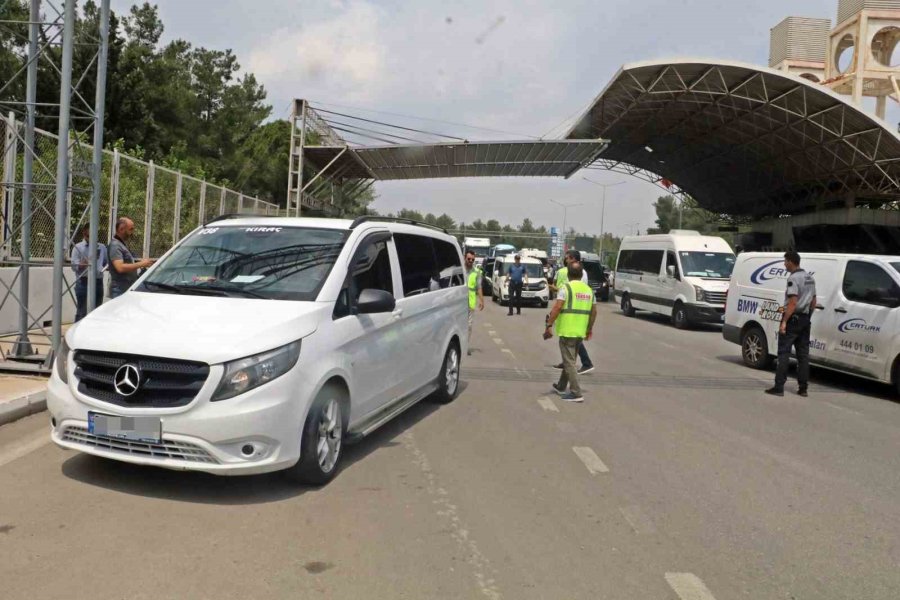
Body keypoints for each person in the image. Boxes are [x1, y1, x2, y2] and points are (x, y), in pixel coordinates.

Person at [544, 261, 597, 403]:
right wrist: (589, 328)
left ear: (568, 274)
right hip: (580, 331)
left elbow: (557, 308)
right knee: (570, 360)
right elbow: (594, 312)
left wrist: (549, 324)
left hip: (567, 330)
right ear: (581, 274)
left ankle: (576, 392)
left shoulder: (565, 288)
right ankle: (561, 386)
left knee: (569, 363)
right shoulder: (588, 290)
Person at [766, 251, 817, 397]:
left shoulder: (793, 279)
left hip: (793, 320)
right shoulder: (810, 278)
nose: (784, 264)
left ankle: (779, 387)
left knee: (783, 353)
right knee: (803, 355)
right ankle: (803, 388)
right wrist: (808, 317)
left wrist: (784, 322)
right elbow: (814, 301)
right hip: (805, 319)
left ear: (791, 261)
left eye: (785, 261)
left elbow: (793, 302)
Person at [549, 250, 594, 374]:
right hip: (575, 307)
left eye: (567, 258)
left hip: (576, 309)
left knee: (573, 338)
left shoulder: (579, 272)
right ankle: (567, 363)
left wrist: (557, 289)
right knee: (572, 339)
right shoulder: (578, 271)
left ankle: (586, 363)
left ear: (573, 259)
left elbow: (574, 290)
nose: (566, 260)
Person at [108, 217, 155, 299]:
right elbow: (120, 267)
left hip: (126, 288)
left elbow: (128, 261)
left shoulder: (122, 244)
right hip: (120, 289)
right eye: (130, 229)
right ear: (121, 229)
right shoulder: (115, 245)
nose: (132, 232)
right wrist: (141, 264)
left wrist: (141, 262)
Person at [71, 224, 108, 321]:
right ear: (84, 233)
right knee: (81, 310)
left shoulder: (102, 247)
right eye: (89, 235)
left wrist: (103, 268)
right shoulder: (77, 247)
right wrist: (82, 264)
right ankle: (77, 332)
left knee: (97, 310)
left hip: (98, 281)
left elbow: (106, 262)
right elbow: (73, 266)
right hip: (83, 281)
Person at [464, 250, 484, 356]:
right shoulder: (460, 270)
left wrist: (482, 300)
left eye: (473, 259)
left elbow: (479, 287)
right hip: (458, 302)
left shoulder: (476, 272)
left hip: (470, 302)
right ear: (464, 258)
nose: (471, 261)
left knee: (469, 326)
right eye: (469, 259)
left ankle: (465, 346)